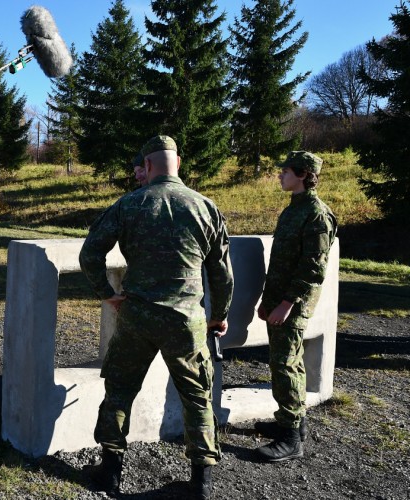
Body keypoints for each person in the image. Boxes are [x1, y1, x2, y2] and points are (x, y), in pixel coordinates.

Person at [79, 136, 234, 499]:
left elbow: (90, 254)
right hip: (186, 321)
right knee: (196, 397)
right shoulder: (206, 207)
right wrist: (219, 316)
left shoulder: (130, 204)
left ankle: (110, 470)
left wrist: (107, 294)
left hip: (137, 316)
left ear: (147, 166)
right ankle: (201, 482)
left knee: (119, 390)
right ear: (178, 163)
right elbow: (223, 275)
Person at [254, 151, 337, 462]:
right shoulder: (293, 211)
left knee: (286, 365)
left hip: (292, 305)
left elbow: (313, 269)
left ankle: (291, 439)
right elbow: (280, 263)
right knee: (287, 363)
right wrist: (268, 301)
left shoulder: (317, 214)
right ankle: (291, 424)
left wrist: (287, 304)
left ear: (302, 174)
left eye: (285, 171)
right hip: (279, 301)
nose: (280, 175)